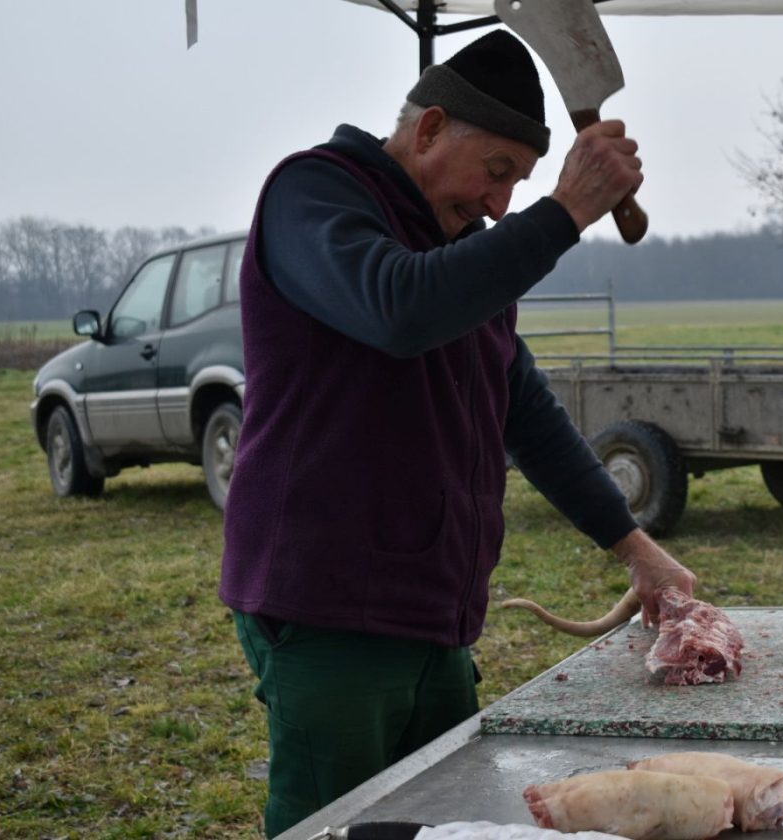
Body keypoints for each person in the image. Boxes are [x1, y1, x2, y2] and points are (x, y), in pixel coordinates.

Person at [218, 29, 697, 838]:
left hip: (435, 613)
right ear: (430, 129)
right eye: (498, 172)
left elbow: (524, 412)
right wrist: (568, 209)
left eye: (523, 183)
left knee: (436, 825)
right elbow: (399, 308)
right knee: (333, 826)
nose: (501, 204)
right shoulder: (315, 197)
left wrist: (635, 547)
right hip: (330, 605)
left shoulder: (464, 256)